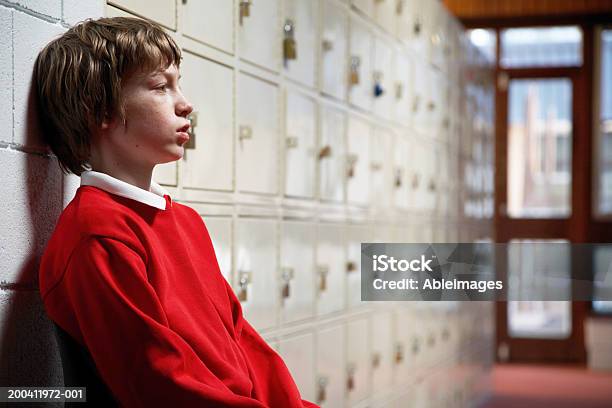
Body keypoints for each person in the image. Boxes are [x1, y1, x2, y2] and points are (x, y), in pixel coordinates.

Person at [35, 16, 318, 407]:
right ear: (98, 110)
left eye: (178, 84)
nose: (186, 104)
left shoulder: (184, 220)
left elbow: (244, 346)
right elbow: (160, 383)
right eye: (160, 87)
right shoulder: (96, 234)